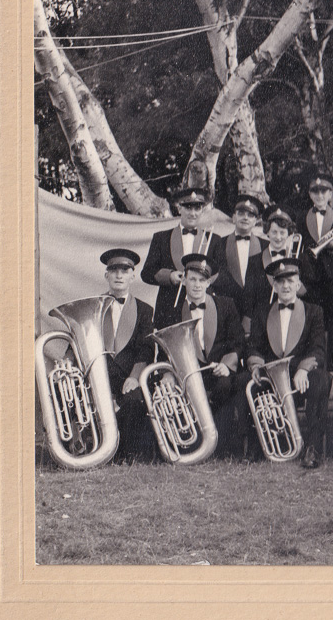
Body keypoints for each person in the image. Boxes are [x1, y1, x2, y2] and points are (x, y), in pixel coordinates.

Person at [151, 253, 246, 458]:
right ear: (184, 280)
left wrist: (227, 365)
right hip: (185, 374)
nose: (196, 285)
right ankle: (188, 446)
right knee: (169, 390)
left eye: (202, 280)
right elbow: (163, 350)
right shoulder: (171, 311)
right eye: (192, 279)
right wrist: (167, 373)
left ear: (208, 282)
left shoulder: (226, 305)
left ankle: (220, 447)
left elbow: (238, 342)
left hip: (217, 370)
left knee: (225, 385)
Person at [246, 258, 330, 469]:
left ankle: (312, 448)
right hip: (271, 376)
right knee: (245, 383)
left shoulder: (314, 311)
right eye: (280, 282)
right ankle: (257, 446)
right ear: (274, 286)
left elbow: (318, 348)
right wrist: (256, 366)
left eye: (290, 281)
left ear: (298, 284)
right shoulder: (262, 311)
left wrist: (303, 369)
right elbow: (254, 346)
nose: (285, 286)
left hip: (300, 377)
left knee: (321, 380)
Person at [96, 248, 156, 462]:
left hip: (127, 378)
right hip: (99, 377)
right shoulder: (93, 306)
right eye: (114, 270)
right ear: (106, 275)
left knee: (134, 401)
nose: (119, 275)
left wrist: (135, 376)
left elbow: (147, 348)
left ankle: (125, 456)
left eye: (125, 271)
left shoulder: (145, 310)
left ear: (133, 276)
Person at [141, 187, 225, 313]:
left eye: (197, 208)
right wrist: (170, 276)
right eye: (188, 208)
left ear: (202, 211)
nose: (193, 213)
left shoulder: (214, 239)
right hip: (169, 308)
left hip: (203, 308)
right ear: (179, 208)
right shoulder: (161, 238)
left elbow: (223, 274)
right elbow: (147, 273)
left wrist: (203, 280)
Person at [242, 205, 315, 321]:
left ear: (289, 233)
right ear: (267, 232)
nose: (278, 237)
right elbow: (248, 299)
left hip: (294, 319)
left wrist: (299, 286)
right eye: (274, 232)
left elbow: (311, 294)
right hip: (263, 320)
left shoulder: (300, 258)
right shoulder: (255, 261)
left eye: (282, 232)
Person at [298, 169, 333, 329]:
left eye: (324, 191)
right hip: (310, 277)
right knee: (311, 320)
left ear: (330, 194)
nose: (319, 195)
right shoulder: (302, 217)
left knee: (330, 322)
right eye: (315, 191)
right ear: (310, 194)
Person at [211, 193, 265, 331]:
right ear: (234, 217)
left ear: (256, 221)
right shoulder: (218, 244)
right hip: (226, 314)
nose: (245, 217)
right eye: (241, 213)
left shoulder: (266, 246)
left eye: (251, 215)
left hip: (257, 315)